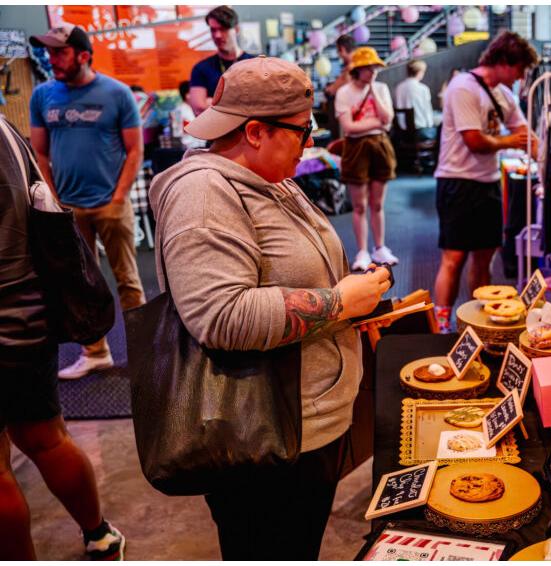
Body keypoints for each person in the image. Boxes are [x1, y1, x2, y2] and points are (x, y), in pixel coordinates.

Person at [148, 56, 391, 560]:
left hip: (304, 429)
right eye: (303, 131)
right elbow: (220, 315)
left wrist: (350, 301)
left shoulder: (269, 177)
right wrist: (340, 302)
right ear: (255, 131)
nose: (310, 142)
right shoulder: (203, 194)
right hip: (264, 440)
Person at [0, 114, 126, 560]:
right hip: (28, 317)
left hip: (13, 310)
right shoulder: (5, 128)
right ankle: (100, 536)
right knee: (46, 438)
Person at [29, 24, 147, 380]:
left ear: (83, 55)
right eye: (49, 53)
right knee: (80, 284)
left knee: (128, 281)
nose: (52, 60)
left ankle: (145, 352)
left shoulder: (117, 93)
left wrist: (118, 197)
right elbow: (40, 153)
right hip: (69, 209)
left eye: (59, 53)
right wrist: (55, 200)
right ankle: (96, 353)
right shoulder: (43, 96)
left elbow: (134, 150)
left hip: (111, 204)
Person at [432, 32, 538, 333]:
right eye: (519, 69)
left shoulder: (504, 93)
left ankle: (477, 322)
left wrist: (549, 156)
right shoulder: (463, 87)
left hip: (488, 184)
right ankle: (442, 323)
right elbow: (474, 141)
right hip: (458, 183)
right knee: (453, 258)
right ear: (504, 62)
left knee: (484, 259)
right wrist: (512, 141)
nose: (520, 76)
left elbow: (525, 134)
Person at [335, 46, 398, 271]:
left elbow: (388, 119)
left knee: (378, 203)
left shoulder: (380, 88)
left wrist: (373, 92)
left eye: (375, 68)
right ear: (358, 69)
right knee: (360, 205)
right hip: (356, 149)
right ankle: (362, 250)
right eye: (369, 68)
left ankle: (380, 247)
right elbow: (349, 128)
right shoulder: (344, 92)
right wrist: (376, 123)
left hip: (380, 145)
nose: (374, 72)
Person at [187, 5, 255, 115]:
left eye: (223, 29)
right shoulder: (201, 68)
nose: (217, 35)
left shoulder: (255, 64)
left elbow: (264, 104)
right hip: (215, 131)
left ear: (236, 29)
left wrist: (213, 103)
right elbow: (199, 109)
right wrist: (242, 103)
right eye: (213, 30)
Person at [395, 59, 440, 142]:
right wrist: (430, 125)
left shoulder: (399, 87)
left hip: (403, 134)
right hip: (421, 132)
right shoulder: (423, 89)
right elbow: (427, 112)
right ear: (419, 72)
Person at [323, 34, 356, 140]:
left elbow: (334, 88)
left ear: (342, 49)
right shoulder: (353, 65)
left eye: (338, 51)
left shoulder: (351, 68)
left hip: (349, 113)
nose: (339, 55)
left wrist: (329, 89)